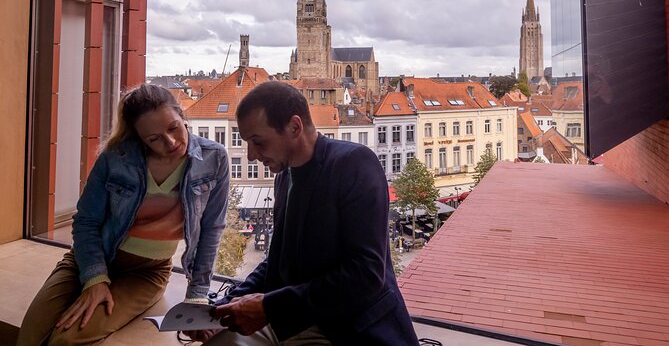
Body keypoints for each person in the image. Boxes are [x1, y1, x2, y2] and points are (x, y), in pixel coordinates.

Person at [188, 81, 419, 345]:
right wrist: (222, 310)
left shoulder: (355, 163)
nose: (251, 155)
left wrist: (269, 308)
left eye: (258, 142)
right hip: (293, 318)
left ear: (295, 127)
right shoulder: (284, 176)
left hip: (349, 328)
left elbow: (365, 275)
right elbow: (277, 260)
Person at [17, 84, 230, 345]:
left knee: (66, 339)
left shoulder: (214, 158)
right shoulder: (115, 159)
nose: (171, 142)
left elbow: (212, 229)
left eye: (174, 127)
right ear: (139, 139)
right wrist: (95, 279)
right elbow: (86, 222)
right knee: (30, 337)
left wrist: (197, 294)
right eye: (154, 139)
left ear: (181, 115)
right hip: (89, 259)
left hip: (146, 273)